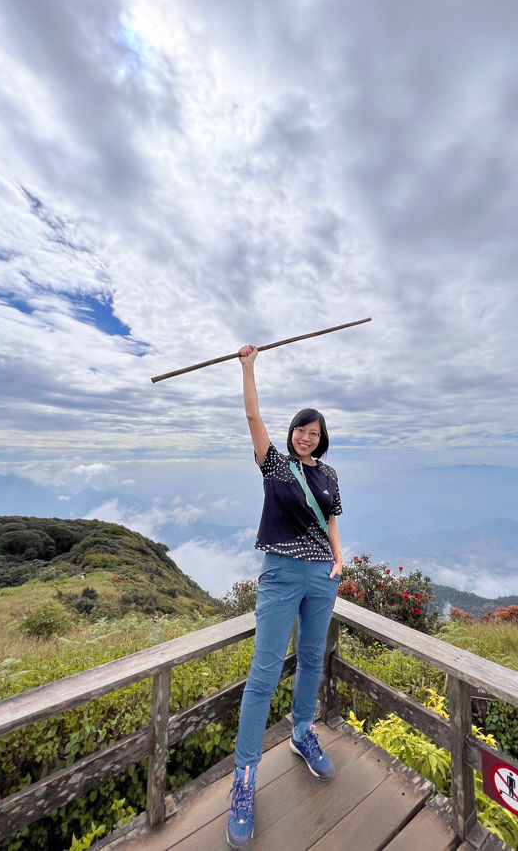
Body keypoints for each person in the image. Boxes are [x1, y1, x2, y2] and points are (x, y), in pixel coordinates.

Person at [226, 344, 343, 850]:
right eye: (300, 429)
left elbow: (332, 517)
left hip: (322, 576)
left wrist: (339, 560)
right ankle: (245, 777)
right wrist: (249, 368)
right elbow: (252, 414)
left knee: (313, 659)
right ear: (291, 430)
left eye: (313, 433)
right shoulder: (274, 464)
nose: (305, 437)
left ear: (322, 440)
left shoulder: (328, 474)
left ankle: (300, 733)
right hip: (280, 575)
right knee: (265, 672)